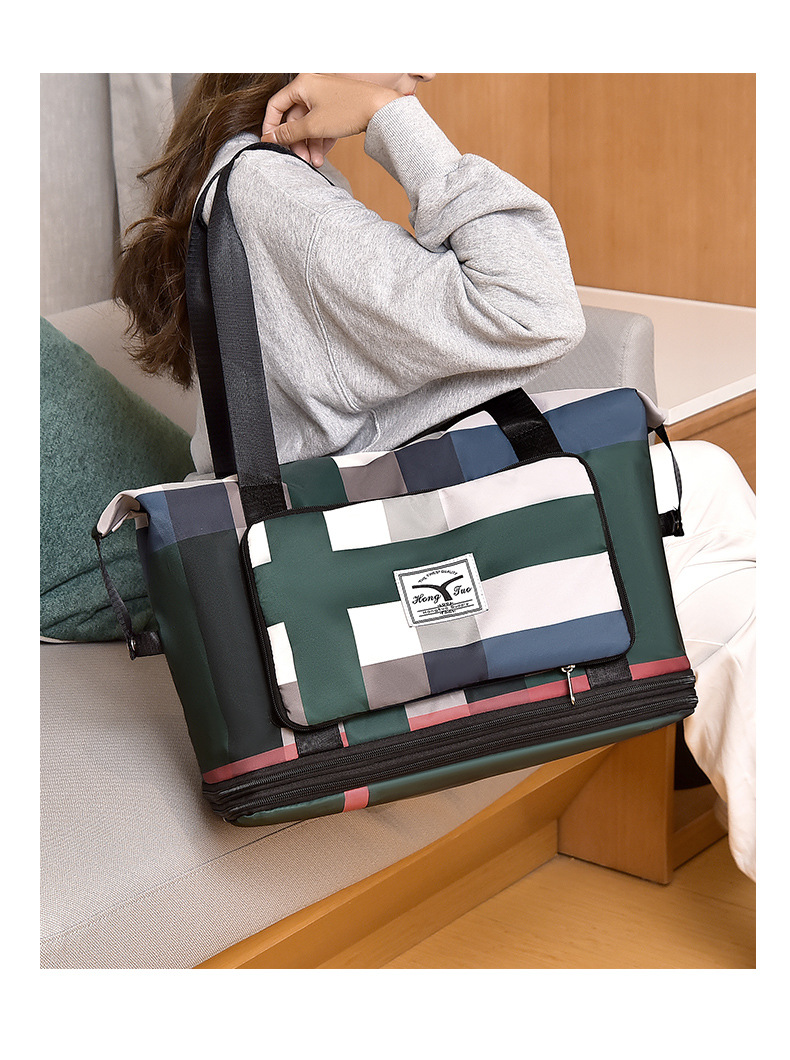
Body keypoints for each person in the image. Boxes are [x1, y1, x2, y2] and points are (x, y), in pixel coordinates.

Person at [113, 73, 755, 880]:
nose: (425, 65)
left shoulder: (264, 186)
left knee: (736, 584)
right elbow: (534, 306)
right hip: (369, 540)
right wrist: (391, 119)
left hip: (365, 518)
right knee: (713, 522)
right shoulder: (277, 195)